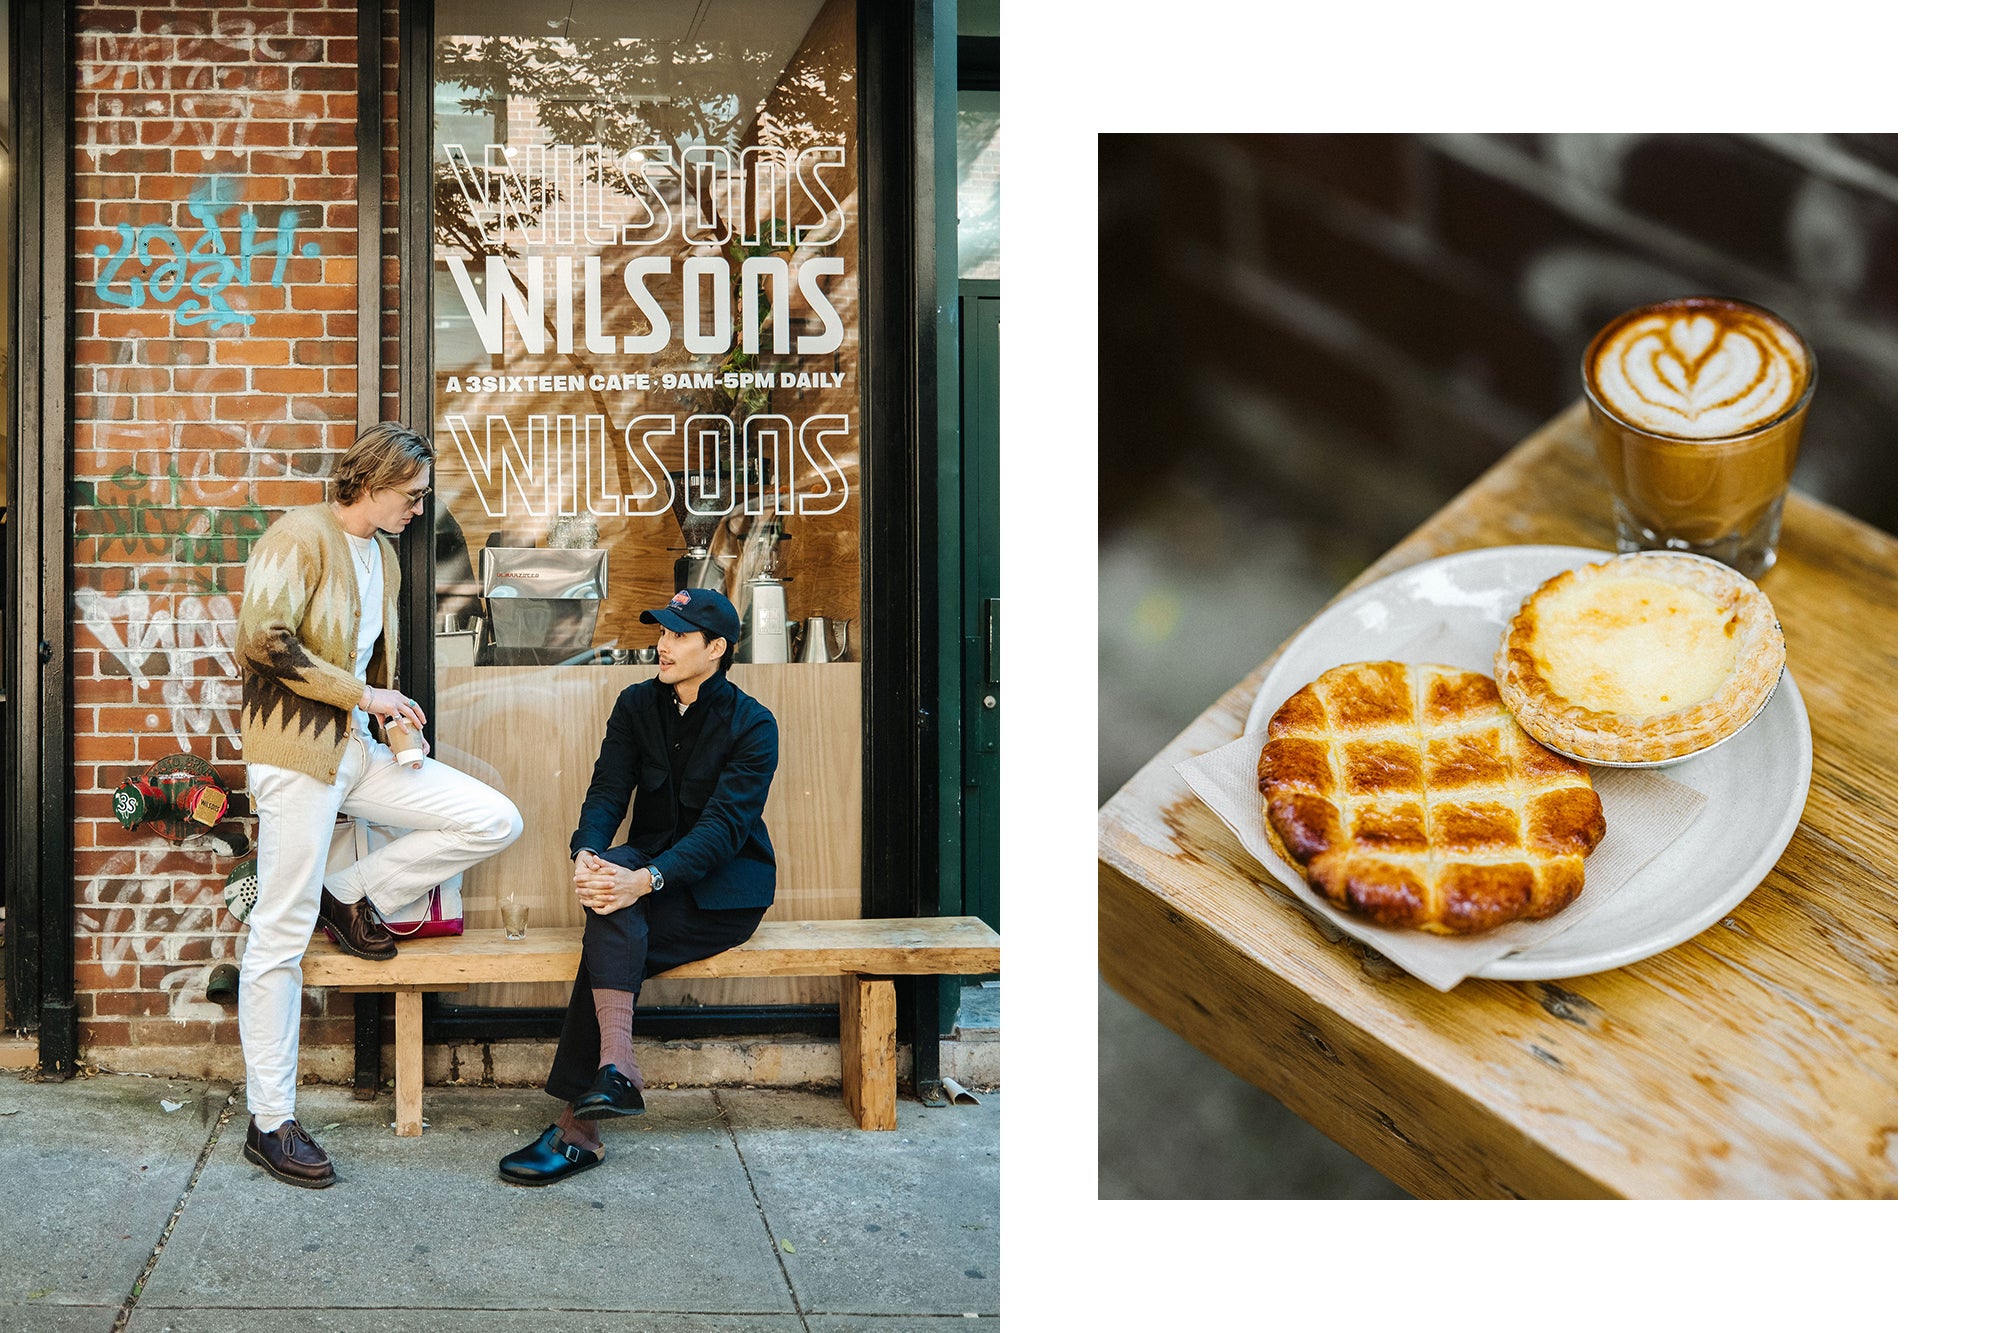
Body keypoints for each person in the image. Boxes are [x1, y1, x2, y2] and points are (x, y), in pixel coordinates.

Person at [234, 422, 524, 1188]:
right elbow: (262, 640)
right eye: (411, 495)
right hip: (298, 753)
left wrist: (388, 718)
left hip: (357, 751)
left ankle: (353, 892)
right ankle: (270, 1121)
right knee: (280, 934)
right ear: (368, 480)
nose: (418, 510)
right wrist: (365, 694)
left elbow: (375, 659)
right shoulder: (300, 535)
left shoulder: (386, 557)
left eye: (423, 498)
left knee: (493, 817)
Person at [499, 588, 779, 1186]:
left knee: (605, 944)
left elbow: (724, 830)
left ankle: (579, 1129)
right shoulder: (635, 705)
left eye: (679, 636)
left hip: (722, 894)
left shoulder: (753, 724)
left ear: (717, 649)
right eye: (662, 633)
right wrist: (587, 854)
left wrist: (643, 881)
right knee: (609, 892)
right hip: (644, 871)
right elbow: (608, 790)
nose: (664, 645)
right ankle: (613, 1072)